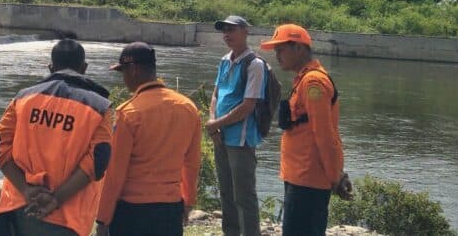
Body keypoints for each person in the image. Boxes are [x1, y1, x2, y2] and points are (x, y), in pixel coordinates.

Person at [0, 39, 112, 236]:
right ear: (84, 68)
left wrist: (25, 189)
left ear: (51, 67)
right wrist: (57, 198)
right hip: (68, 219)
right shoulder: (99, 108)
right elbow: (98, 162)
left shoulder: (22, 98)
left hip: (16, 210)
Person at [95, 42, 202, 236]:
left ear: (134, 70)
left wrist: (103, 218)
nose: (124, 79)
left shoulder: (128, 113)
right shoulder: (188, 107)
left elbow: (115, 173)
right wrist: (188, 201)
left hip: (133, 211)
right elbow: (192, 162)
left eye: (124, 72)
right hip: (170, 208)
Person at [260, 23, 352, 236]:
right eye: (276, 51)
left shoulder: (313, 83)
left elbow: (325, 135)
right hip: (300, 176)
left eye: (281, 49)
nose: (277, 55)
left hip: (308, 179)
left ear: (299, 48)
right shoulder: (304, 79)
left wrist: (336, 177)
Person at [205, 15, 264, 236]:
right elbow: (216, 94)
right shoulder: (224, 60)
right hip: (220, 136)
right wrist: (213, 122)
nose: (227, 34)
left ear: (245, 32)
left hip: (241, 139)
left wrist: (216, 124)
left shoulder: (254, 65)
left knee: (244, 195)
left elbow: (248, 105)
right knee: (226, 193)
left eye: (232, 29)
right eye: (224, 30)